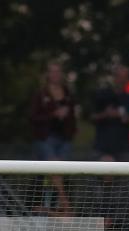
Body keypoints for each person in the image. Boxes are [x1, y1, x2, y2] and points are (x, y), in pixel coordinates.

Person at [29, 61, 77, 216]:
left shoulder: (68, 93)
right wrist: (53, 115)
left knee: (64, 172)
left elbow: (73, 117)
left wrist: (72, 130)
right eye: (52, 71)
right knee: (54, 165)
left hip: (64, 139)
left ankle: (59, 208)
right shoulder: (40, 94)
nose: (55, 74)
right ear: (47, 74)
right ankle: (65, 203)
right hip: (46, 137)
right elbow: (33, 117)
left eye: (58, 71)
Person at [91, 65, 129, 162]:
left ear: (128, 79)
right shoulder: (102, 95)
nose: (122, 80)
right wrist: (106, 114)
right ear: (114, 77)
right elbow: (91, 117)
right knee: (107, 173)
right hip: (102, 147)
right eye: (119, 76)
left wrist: (126, 118)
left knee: (123, 176)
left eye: (125, 77)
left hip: (123, 148)